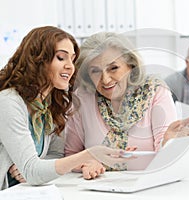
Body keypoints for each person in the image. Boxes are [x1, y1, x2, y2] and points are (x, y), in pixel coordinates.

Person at [0, 26, 137, 190]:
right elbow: (32, 171)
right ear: (38, 59)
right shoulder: (9, 101)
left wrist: (33, 168)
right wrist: (89, 154)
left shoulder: (50, 105)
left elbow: (54, 156)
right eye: (61, 58)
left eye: (72, 59)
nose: (70, 66)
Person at [64, 32, 189, 172]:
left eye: (114, 68)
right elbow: (70, 155)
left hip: (148, 185)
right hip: (98, 187)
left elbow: (165, 153)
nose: (105, 80)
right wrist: (86, 164)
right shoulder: (82, 99)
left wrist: (169, 143)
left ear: (131, 65)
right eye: (95, 71)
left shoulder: (155, 91)